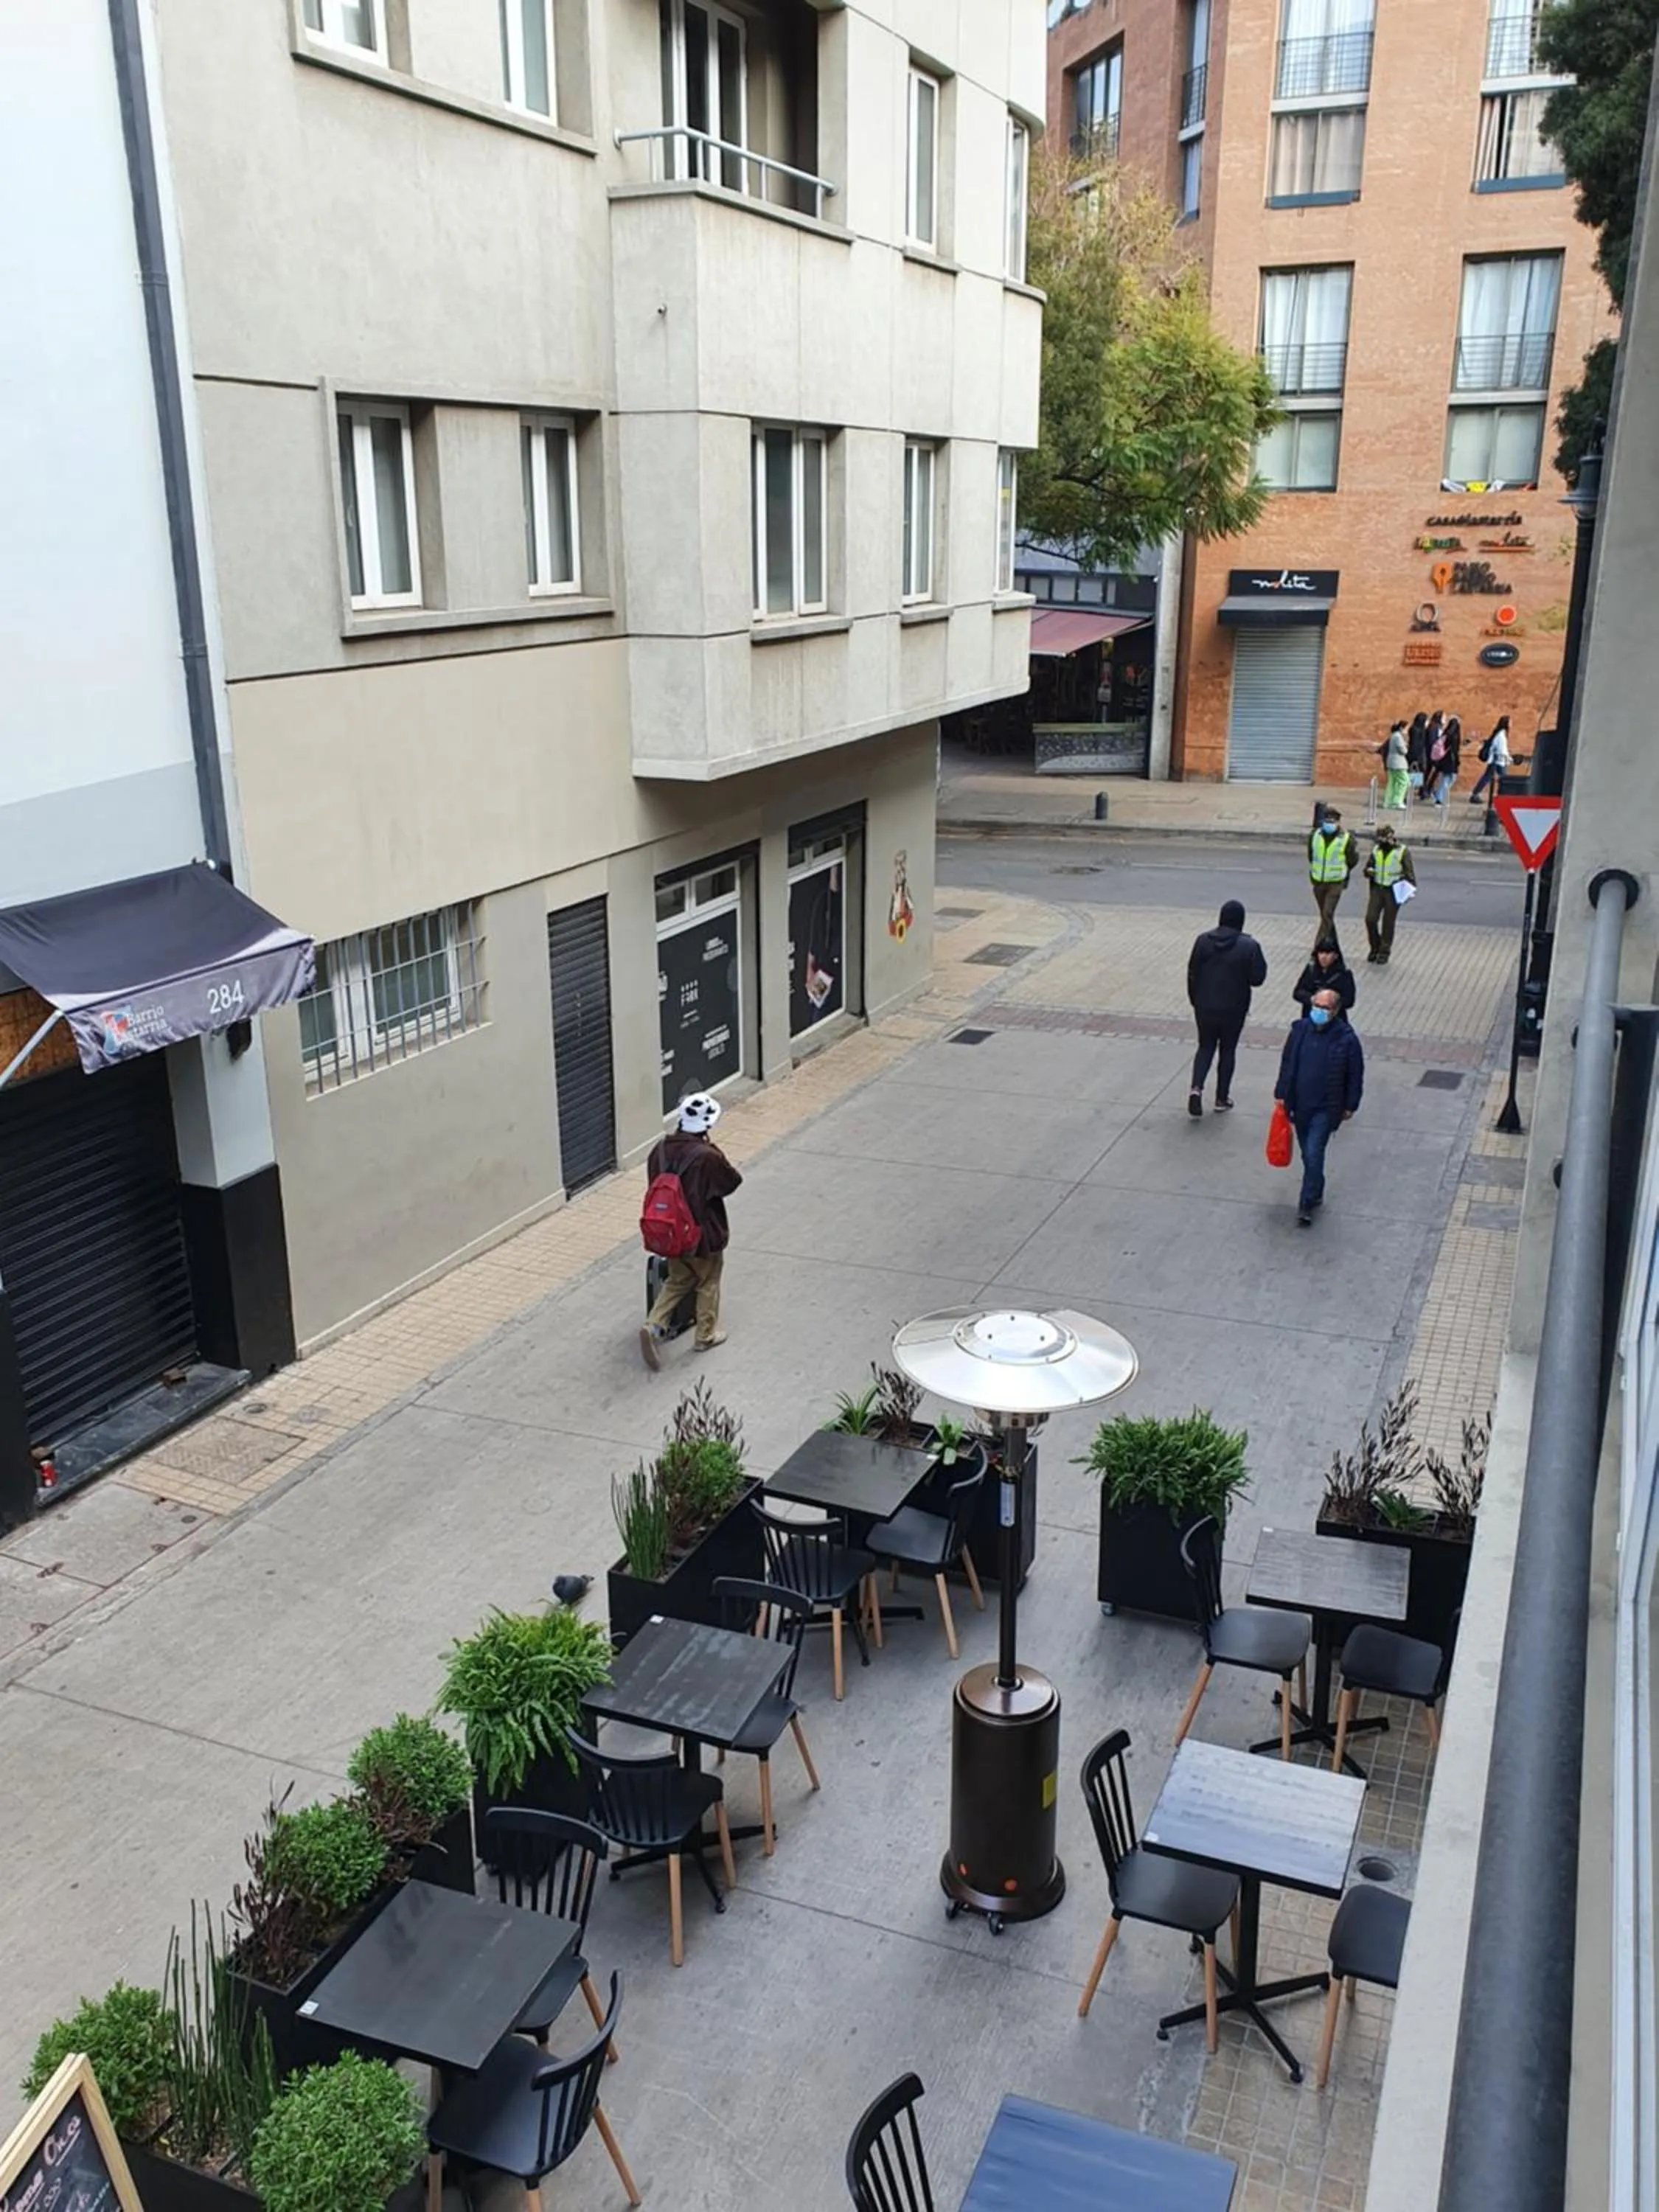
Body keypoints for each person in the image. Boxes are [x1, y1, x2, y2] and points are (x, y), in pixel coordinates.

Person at [639, 1092, 742, 1368]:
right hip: (702, 1235)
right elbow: (731, 1182)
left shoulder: (659, 1150)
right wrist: (717, 1152)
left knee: (678, 1279)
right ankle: (705, 1336)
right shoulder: (707, 1156)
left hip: (671, 1234)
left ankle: (653, 1325)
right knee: (708, 1281)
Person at [1275, 989, 1364, 1227]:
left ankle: (1306, 1203)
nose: (1319, 1011)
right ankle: (1316, 1187)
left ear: (1335, 1011)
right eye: (1317, 1005)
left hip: (1326, 1108)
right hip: (1300, 1104)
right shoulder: (1300, 1030)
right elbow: (1288, 1063)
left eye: (1325, 1008)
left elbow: (1355, 1074)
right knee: (1308, 1153)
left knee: (1314, 1152)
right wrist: (1281, 1093)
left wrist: (1351, 1104)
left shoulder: (1346, 1038)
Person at [1186, 898, 1268, 1116]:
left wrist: (1195, 999)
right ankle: (1221, 1098)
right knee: (1227, 1050)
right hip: (1234, 1008)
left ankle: (1196, 1088)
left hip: (1205, 1006)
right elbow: (1258, 978)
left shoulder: (1203, 941)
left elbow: (1192, 973)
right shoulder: (1249, 946)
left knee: (1205, 1046)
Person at [1363, 823, 1416, 964]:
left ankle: (1384, 951)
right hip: (1377, 888)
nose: (1380, 842)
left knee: (1388, 922)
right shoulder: (1376, 850)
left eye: (1382, 839)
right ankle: (1375, 946)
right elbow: (1368, 866)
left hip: (1393, 890)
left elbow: (1410, 874)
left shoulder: (1402, 851)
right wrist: (1369, 871)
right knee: (1370, 919)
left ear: (1390, 837)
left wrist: (1406, 891)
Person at [1307, 808, 1360, 936]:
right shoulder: (1315, 835)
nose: (1329, 824)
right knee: (1326, 917)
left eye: (1332, 821)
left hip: (1336, 882)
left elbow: (1352, 859)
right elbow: (1311, 855)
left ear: (1338, 823)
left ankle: (1319, 949)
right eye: (1327, 821)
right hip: (1318, 881)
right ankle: (1332, 947)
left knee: (1327, 914)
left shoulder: (1346, 839)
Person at [1293, 936, 1357, 1013]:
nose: (1323, 957)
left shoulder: (1344, 974)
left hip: (1335, 1018)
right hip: (1310, 1015)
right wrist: (1312, 998)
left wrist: (1331, 1000)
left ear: (1336, 956)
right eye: (1321, 953)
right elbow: (1298, 992)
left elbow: (1349, 1001)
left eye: (1328, 953)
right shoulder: (1311, 970)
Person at [1469, 714, 1512, 803]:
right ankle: (1504, 796)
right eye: (1510, 722)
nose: (1511, 724)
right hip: (1498, 761)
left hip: (1497, 761)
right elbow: (1502, 750)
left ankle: (1476, 794)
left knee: (1488, 777)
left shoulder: (1500, 733)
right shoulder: (1501, 735)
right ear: (1506, 724)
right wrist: (1509, 759)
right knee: (1503, 779)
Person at [1432, 714, 1462, 804]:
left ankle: (1439, 796)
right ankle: (1440, 799)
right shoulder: (1455, 736)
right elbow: (1455, 750)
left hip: (1444, 759)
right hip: (1451, 760)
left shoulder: (1445, 734)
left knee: (1445, 778)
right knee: (1450, 779)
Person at [1381, 720, 1410, 810]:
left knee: (1392, 783)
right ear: (1402, 728)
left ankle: (1388, 802)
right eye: (1406, 728)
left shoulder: (1393, 736)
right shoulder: (1398, 737)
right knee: (1404, 781)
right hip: (1398, 763)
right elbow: (1403, 751)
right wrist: (1406, 746)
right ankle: (1397, 801)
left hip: (1391, 762)